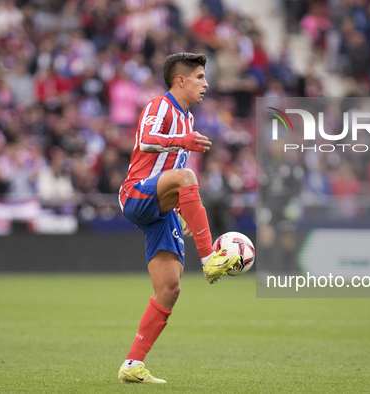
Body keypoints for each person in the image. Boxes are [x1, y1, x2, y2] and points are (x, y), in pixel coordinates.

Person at [117, 52, 240, 384]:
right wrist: (180, 142)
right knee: (187, 175)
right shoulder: (160, 106)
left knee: (170, 288)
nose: (206, 83)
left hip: (162, 208)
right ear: (181, 80)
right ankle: (210, 257)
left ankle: (132, 365)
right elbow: (145, 140)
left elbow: (176, 176)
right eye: (200, 77)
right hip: (136, 193)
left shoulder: (187, 120)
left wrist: (185, 208)